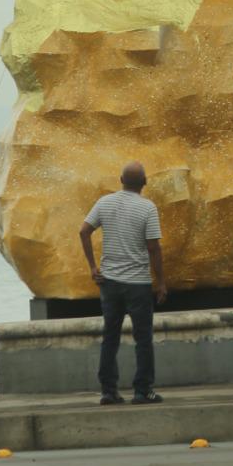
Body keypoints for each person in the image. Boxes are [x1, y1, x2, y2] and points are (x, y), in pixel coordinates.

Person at [79, 162, 167, 405]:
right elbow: (153, 248)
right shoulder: (147, 208)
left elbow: (84, 231)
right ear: (145, 183)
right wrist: (160, 282)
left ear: (120, 179)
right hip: (138, 283)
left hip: (110, 282)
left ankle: (108, 391)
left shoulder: (104, 202)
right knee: (143, 338)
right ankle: (143, 390)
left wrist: (93, 267)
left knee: (111, 336)